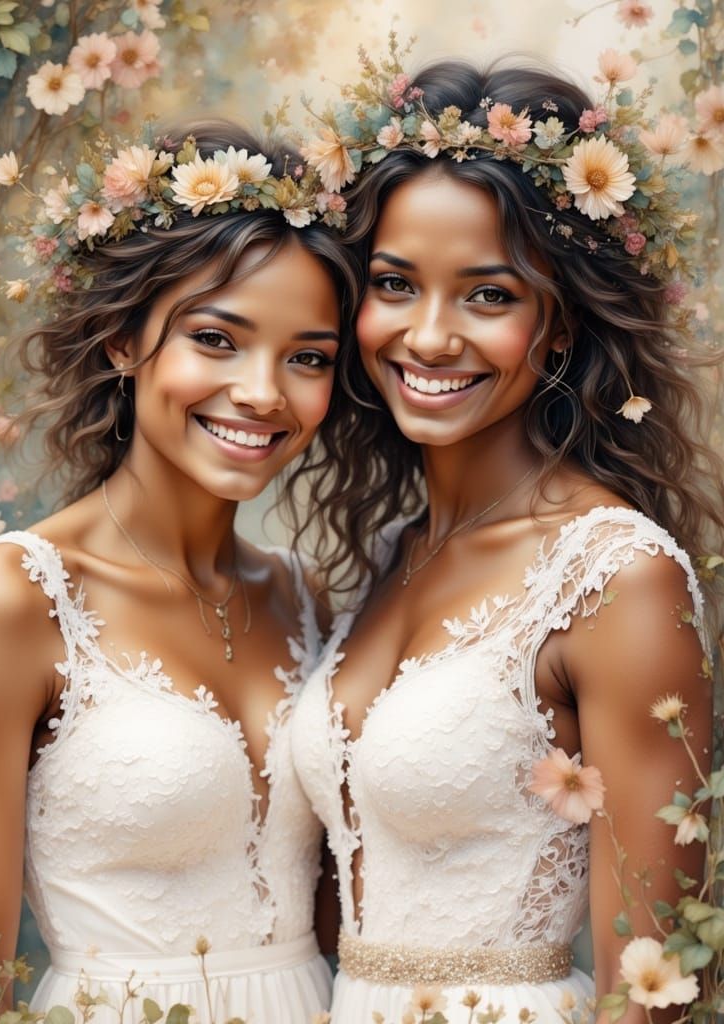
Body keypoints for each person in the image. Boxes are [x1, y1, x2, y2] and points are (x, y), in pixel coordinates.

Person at [291, 49, 722, 1024]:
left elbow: (655, 990)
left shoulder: (619, 577)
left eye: (488, 294)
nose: (430, 336)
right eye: (395, 283)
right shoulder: (390, 555)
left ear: (558, 323)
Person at [0, 120, 360, 1024]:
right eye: (217, 339)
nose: (264, 392)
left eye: (308, 359)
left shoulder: (307, 595)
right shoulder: (6, 598)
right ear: (122, 342)